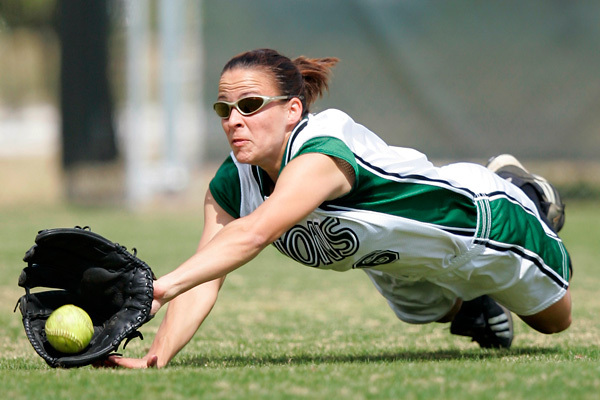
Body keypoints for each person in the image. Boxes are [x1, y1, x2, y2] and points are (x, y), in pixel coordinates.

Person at [108, 48, 572, 368]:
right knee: (425, 310)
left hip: (479, 227)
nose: (233, 121)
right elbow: (203, 276)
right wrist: (157, 357)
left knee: (554, 323)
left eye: (249, 105)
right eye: (224, 109)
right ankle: (476, 305)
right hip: (391, 260)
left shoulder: (320, 152)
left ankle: (523, 192)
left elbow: (252, 234)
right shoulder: (233, 180)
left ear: (293, 110)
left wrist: (158, 287)